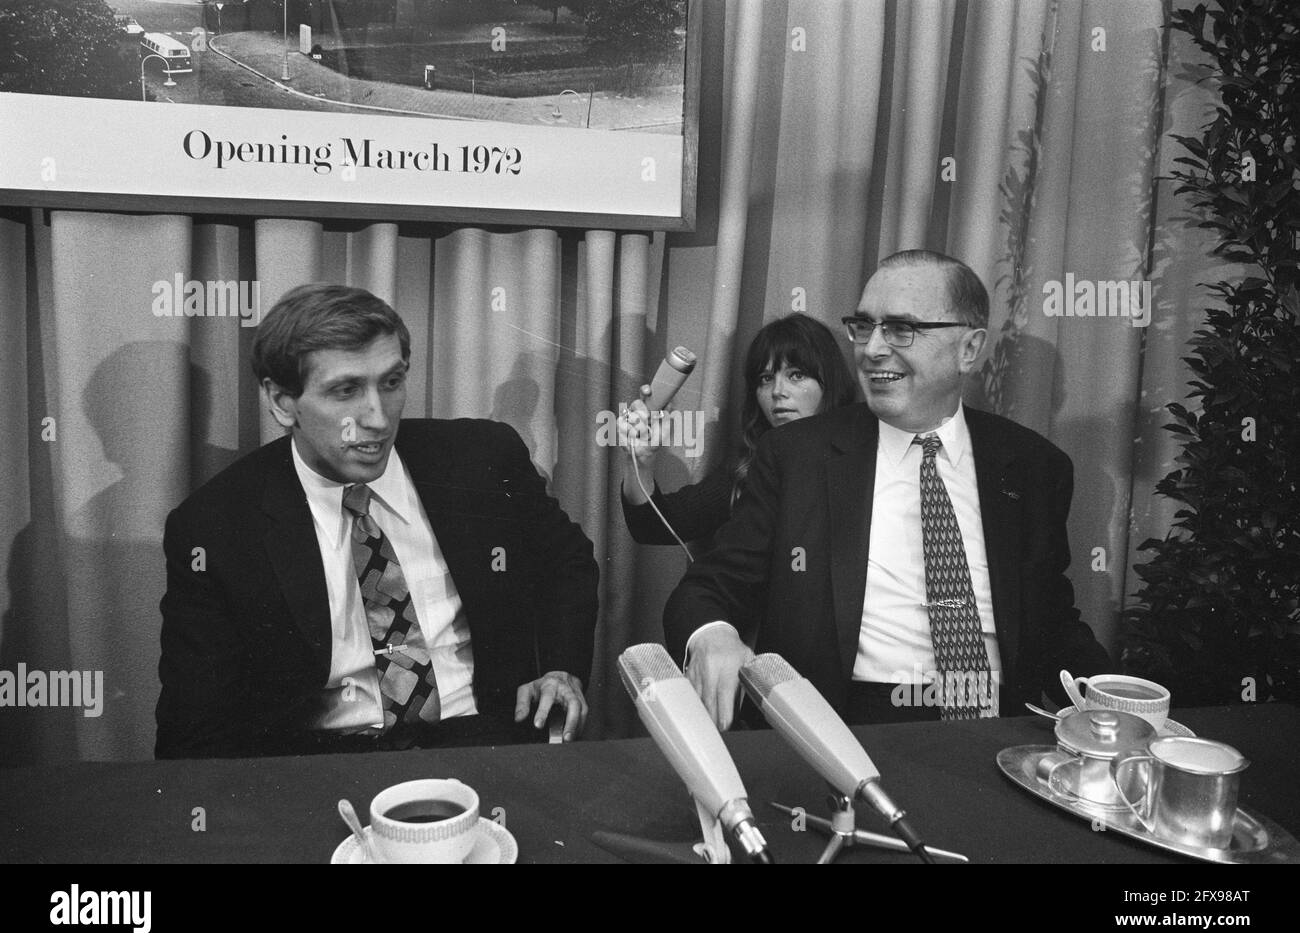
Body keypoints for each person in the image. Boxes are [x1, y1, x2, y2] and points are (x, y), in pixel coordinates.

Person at [663, 250, 1110, 728]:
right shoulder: (796, 457)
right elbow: (710, 587)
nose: (872, 348)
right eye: (863, 326)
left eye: (901, 329)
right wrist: (712, 634)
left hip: (992, 725)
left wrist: (1118, 702)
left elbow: (1051, 620)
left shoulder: (1033, 467)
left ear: (969, 348)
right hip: (843, 725)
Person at [156, 284, 598, 758]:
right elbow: (195, 732)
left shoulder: (482, 460)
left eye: (391, 382)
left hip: (480, 739)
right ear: (283, 403)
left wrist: (559, 668)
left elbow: (567, 564)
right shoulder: (216, 527)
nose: (377, 418)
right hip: (324, 761)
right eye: (345, 391)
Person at [617, 313, 858, 546]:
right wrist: (640, 459)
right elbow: (652, 527)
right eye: (765, 378)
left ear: (829, 384)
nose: (777, 391)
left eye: (796, 375)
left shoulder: (861, 464)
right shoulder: (750, 472)